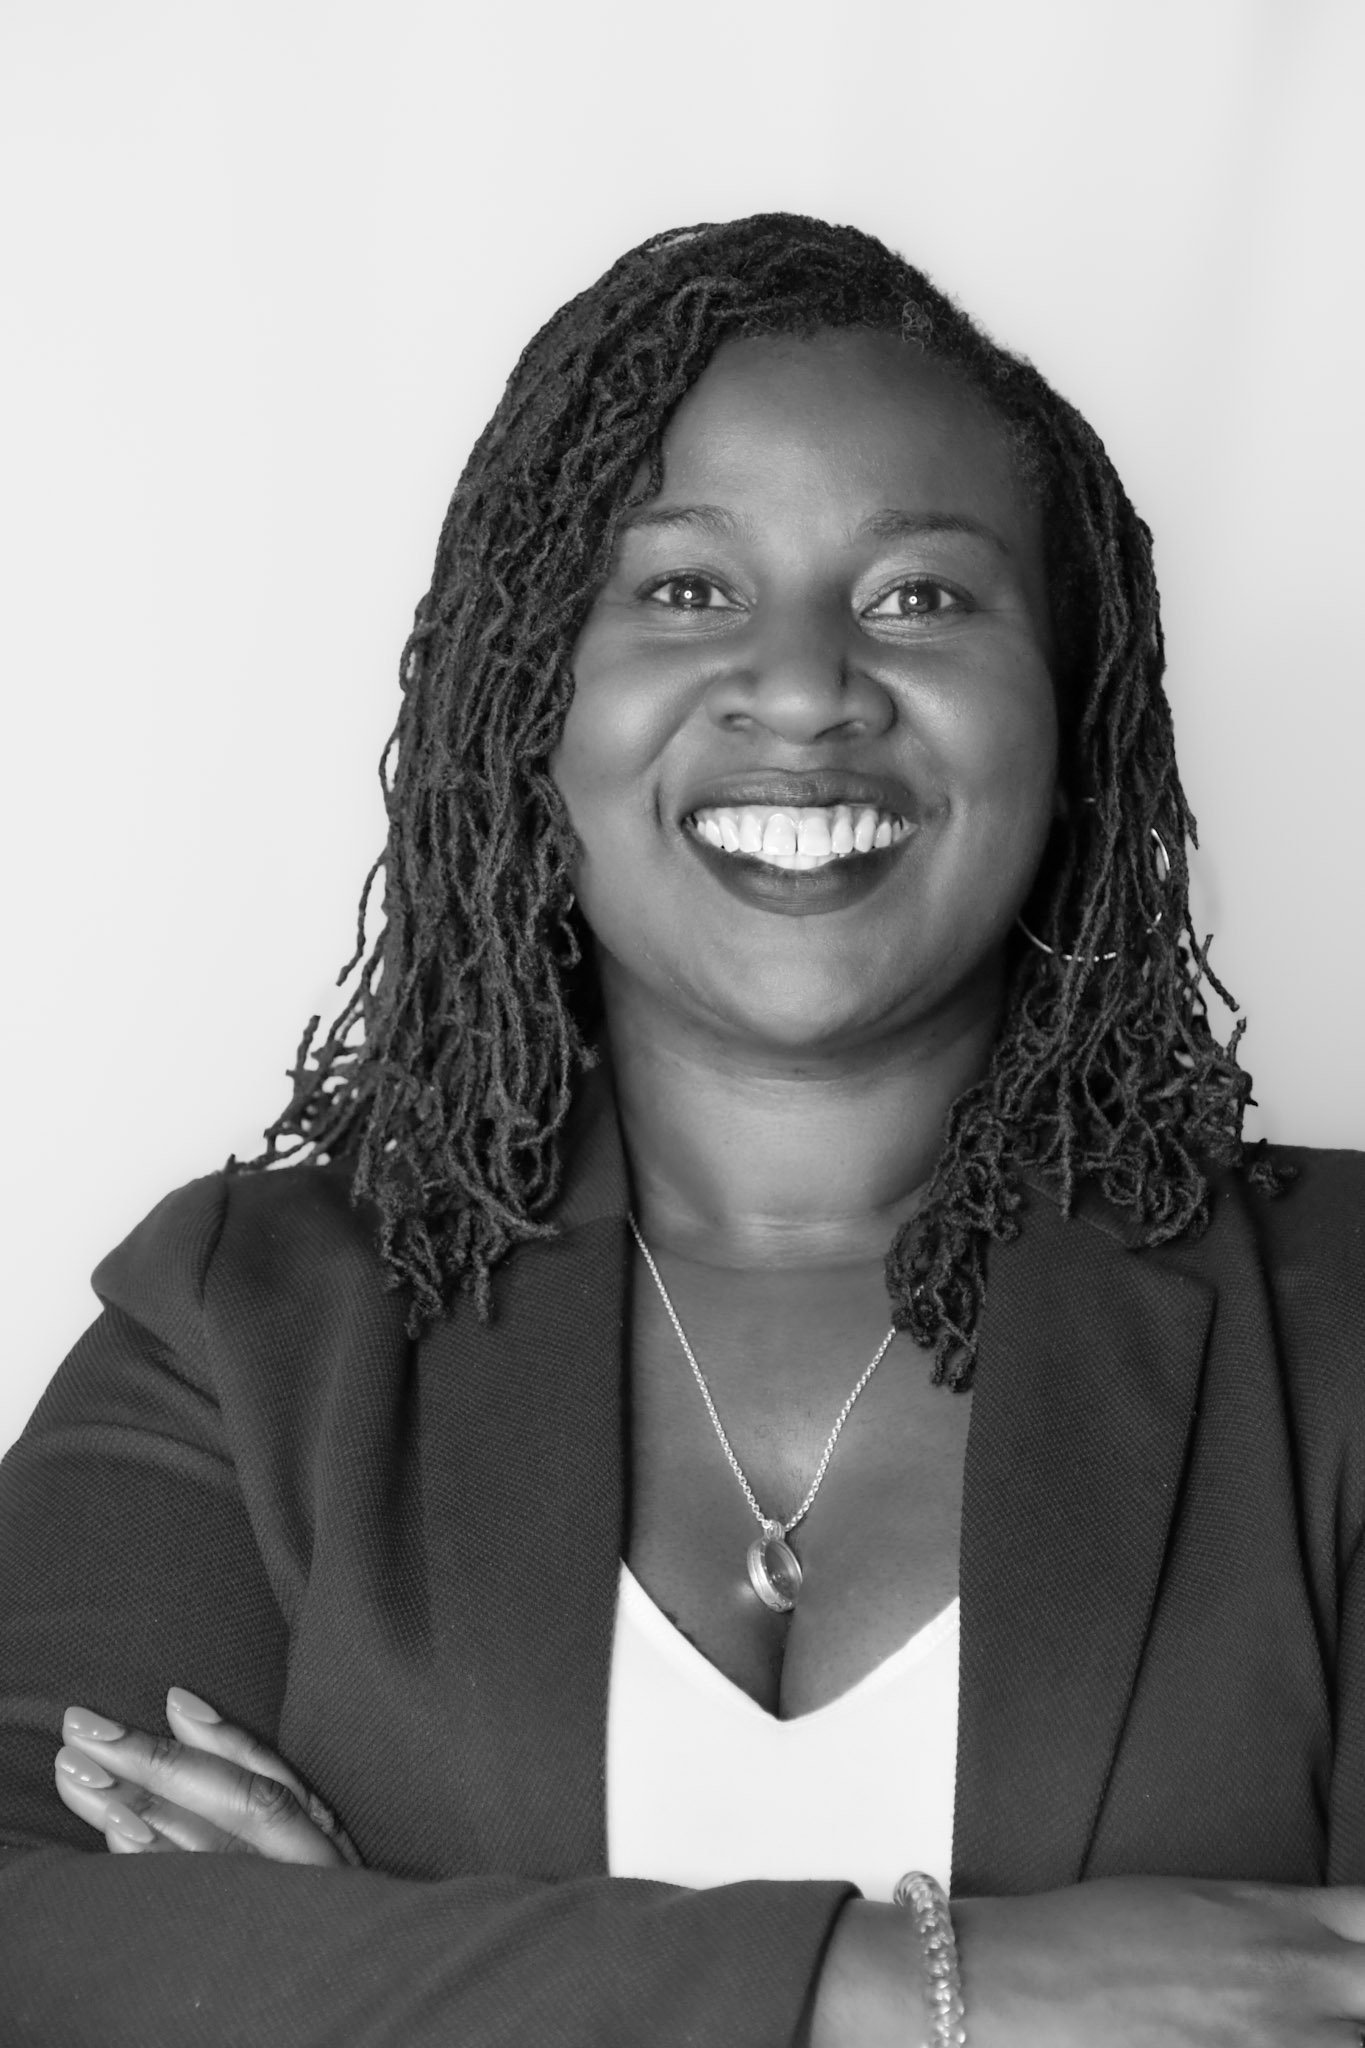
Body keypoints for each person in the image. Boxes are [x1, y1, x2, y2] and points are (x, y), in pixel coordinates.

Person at [1, 212, 1363, 2048]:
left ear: (1073, 721)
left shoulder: (1336, 1326)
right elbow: (32, 1946)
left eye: (920, 597)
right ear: (528, 707)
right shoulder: (249, 1324)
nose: (804, 687)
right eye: (685, 590)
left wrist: (374, 1973)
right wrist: (912, 1984)